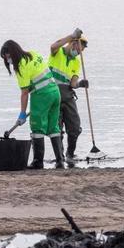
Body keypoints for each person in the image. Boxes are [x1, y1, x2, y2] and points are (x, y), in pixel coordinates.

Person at [1, 40, 63, 169]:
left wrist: (22, 114)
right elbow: (37, 78)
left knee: (37, 127)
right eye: (6, 58)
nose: (8, 61)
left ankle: (38, 161)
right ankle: (60, 161)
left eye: (8, 57)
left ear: (13, 53)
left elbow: (24, 93)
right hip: (55, 93)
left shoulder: (21, 66)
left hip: (42, 96)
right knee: (53, 127)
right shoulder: (33, 54)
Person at [49, 28, 89, 165]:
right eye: (79, 49)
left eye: (81, 51)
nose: (78, 53)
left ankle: (70, 154)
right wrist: (71, 36)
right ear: (73, 43)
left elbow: (73, 83)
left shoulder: (76, 62)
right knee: (57, 128)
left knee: (75, 127)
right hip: (53, 95)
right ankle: (59, 157)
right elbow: (53, 46)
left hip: (68, 95)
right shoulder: (57, 52)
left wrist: (80, 84)